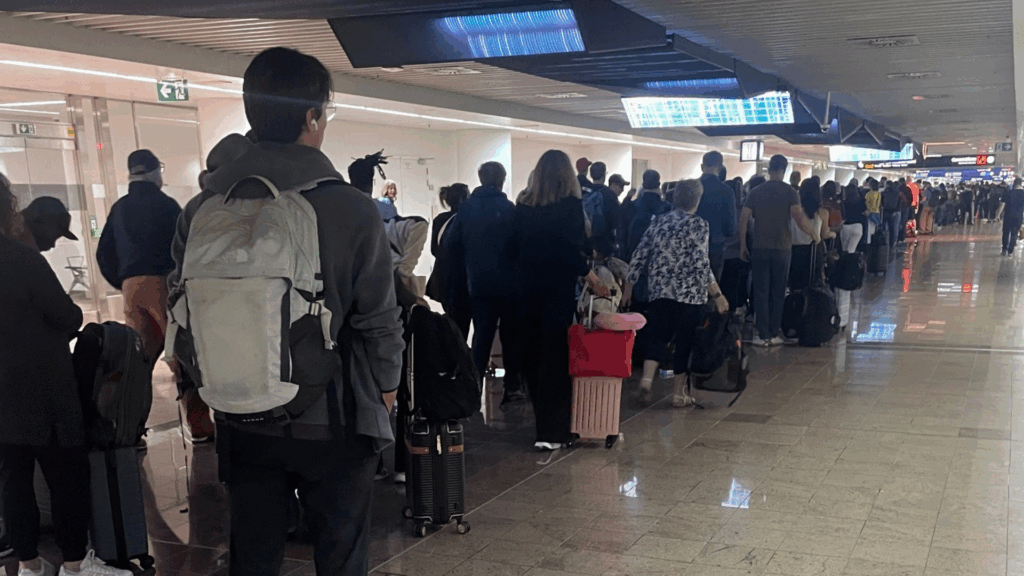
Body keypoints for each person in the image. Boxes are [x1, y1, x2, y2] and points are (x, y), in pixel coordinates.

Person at [166, 47, 404, 576]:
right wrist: (387, 386)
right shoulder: (349, 208)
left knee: (252, 552)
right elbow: (379, 320)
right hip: (335, 418)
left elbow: (181, 304)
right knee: (340, 554)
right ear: (313, 117)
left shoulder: (204, 209)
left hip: (240, 410)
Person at [1, 173, 136, 576]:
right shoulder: (19, 257)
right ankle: (76, 564)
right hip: (42, 386)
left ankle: (28, 564)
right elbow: (66, 314)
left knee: (13, 480)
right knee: (65, 476)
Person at [510, 150, 609, 451]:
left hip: (524, 289)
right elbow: (571, 249)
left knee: (532, 354)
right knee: (555, 356)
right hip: (556, 290)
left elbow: (514, 246)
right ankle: (552, 431)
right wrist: (591, 278)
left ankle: (542, 425)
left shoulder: (523, 205)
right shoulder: (570, 206)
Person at [624, 179, 728, 406]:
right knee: (685, 342)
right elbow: (701, 262)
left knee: (657, 335)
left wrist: (629, 286)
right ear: (697, 200)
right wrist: (717, 294)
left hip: (660, 290)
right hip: (690, 295)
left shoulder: (659, 221)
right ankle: (679, 395)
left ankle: (647, 381)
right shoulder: (699, 225)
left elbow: (640, 253)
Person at [443, 162, 525, 403]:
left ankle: (474, 387)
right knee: (511, 337)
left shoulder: (466, 210)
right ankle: (513, 387)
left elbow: (450, 245)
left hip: (478, 284)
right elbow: (519, 246)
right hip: (509, 284)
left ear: (480, 179)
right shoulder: (510, 209)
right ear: (502, 180)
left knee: (481, 337)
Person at [739, 155, 820, 347]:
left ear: (769, 169)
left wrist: (743, 244)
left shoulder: (756, 191)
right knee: (777, 291)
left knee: (760, 291)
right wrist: (814, 235)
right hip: (782, 248)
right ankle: (774, 333)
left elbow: (744, 218)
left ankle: (762, 333)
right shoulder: (791, 192)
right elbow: (799, 219)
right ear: (784, 170)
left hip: (759, 247)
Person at [426, 183, 471, 338]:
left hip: (443, 278)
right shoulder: (467, 219)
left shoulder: (440, 219)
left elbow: (434, 249)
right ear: (464, 197)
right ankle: (463, 359)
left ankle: (453, 357)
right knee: (463, 323)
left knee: (452, 323)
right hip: (462, 280)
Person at [696, 151, 738, 281]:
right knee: (712, 286)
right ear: (720, 168)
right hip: (716, 244)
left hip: (692, 244)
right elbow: (730, 227)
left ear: (702, 167)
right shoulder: (727, 191)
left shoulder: (692, 187)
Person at [789, 179, 834, 292]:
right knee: (813, 285)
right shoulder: (822, 212)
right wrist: (833, 234)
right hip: (813, 254)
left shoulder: (793, 211)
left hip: (793, 253)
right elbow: (824, 234)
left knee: (795, 285)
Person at [585, 161, 622, 257]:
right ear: (604, 175)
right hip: (604, 243)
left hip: (587, 243)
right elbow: (616, 221)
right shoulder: (610, 194)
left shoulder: (584, 192)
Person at [1002, 178, 1024, 256]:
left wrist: (997, 215)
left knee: (1006, 233)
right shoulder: (1023, 193)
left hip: (1008, 216)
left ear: (1014, 183)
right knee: (1014, 233)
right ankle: (1010, 251)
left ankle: (1004, 249)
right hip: (1018, 217)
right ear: (1021, 183)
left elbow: (1002, 205)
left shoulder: (1009, 192)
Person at [881, 182, 902, 248]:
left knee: (884, 226)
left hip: (885, 211)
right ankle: (892, 243)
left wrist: (882, 206)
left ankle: (883, 241)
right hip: (893, 211)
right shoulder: (897, 192)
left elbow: (881, 201)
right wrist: (896, 210)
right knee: (892, 227)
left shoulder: (884, 192)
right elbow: (900, 202)